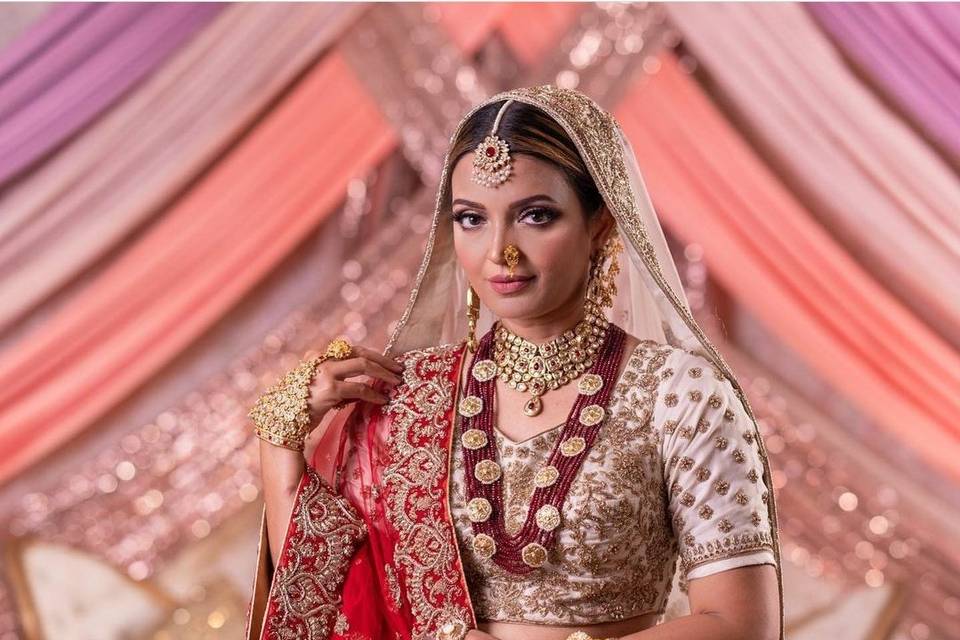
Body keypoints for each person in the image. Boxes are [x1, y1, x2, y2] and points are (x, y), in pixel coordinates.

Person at [244, 85, 783, 640]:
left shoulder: (680, 394)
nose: (500, 252)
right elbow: (330, 598)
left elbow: (739, 625)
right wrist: (280, 435)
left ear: (600, 224)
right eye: (472, 219)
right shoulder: (413, 394)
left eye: (536, 216)